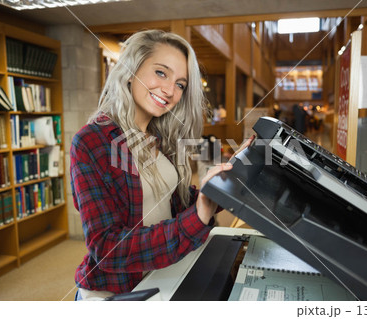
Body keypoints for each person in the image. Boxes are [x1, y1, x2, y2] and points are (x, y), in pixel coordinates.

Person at [70, 30, 253, 300]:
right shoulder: (91, 142)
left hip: (164, 275)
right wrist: (198, 215)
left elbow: (169, 204)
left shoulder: (161, 138)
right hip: (116, 293)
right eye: (161, 73)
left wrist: (218, 186)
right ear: (131, 70)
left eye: (180, 84)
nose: (170, 91)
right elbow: (107, 248)